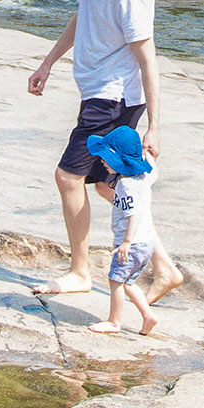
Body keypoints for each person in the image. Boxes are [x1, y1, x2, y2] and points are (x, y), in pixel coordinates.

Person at [27, 0, 183, 301]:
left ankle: (80, 272)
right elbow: (81, 19)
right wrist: (48, 63)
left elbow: (148, 59)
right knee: (106, 186)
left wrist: (155, 126)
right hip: (98, 92)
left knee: (67, 178)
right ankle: (164, 268)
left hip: (114, 98)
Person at [84, 124, 159, 336]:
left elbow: (132, 214)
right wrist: (149, 156)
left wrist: (126, 242)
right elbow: (155, 173)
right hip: (147, 242)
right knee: (129, 282)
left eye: (106, 158)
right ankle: (148, 316)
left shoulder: (126, 186)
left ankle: (114, 321)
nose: (102, 161)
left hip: (132, 243)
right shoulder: (143, 177)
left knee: (116, 280)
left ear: (120, 161)